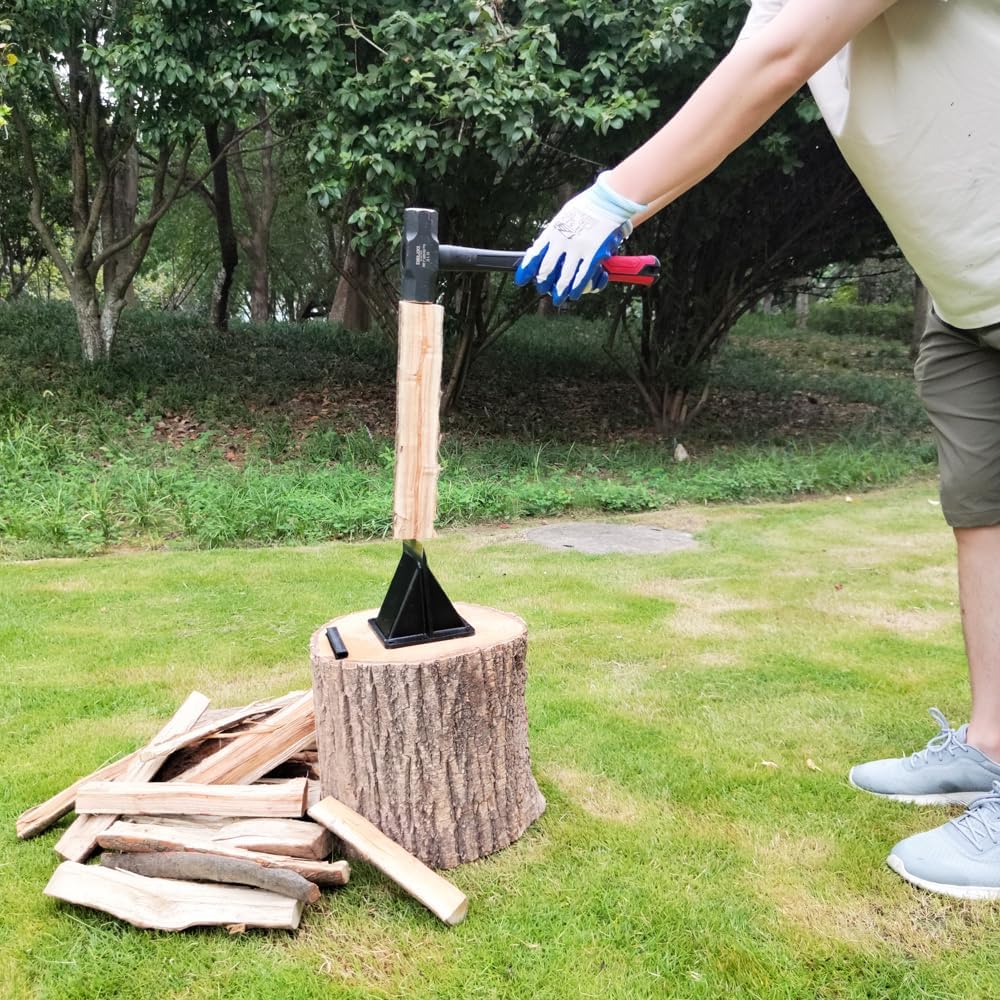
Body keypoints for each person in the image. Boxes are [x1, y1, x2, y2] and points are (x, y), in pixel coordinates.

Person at [515, 0, 1000, 900]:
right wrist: (613, 215)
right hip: (966, 286)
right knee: (983, 513)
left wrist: (610, 195)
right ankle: (989, 746)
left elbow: (783, 59)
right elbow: (743, 86)